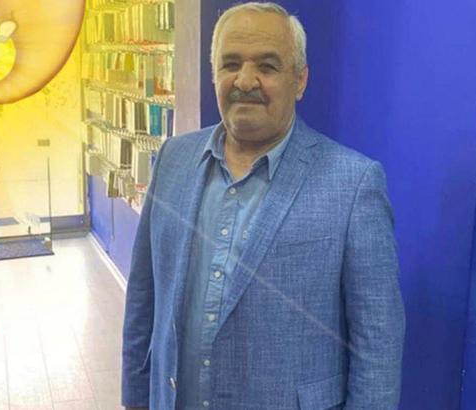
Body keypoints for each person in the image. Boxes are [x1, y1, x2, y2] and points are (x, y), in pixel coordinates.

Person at [122, 3, 405, 410]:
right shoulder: (173, 159)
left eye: (268, 66)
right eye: (230, 64)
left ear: (300, 80)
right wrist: (135, 397)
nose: (245, 80)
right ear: (214, 73)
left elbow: (377, 344)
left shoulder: (353, 184)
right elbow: (144, 295)